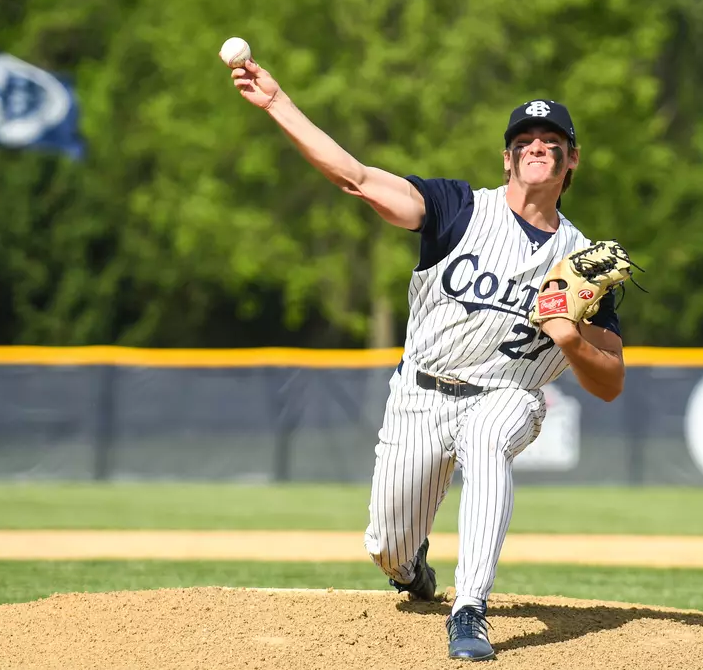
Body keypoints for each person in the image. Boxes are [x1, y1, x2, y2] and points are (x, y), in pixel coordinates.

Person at [227, 57, 626, 661]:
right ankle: (410, 566)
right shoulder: (457, 209)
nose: (537, 147)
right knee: (386, 545)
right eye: (524, 141)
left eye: (553, 142)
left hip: (507, 395)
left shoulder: (584, 264)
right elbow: (356, 178)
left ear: (572, 159)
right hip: (420, 393)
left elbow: (612, 381)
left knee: (490, 441)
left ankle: (470, 609)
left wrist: (570, 339)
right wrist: (279, 103)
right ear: (507, 158)